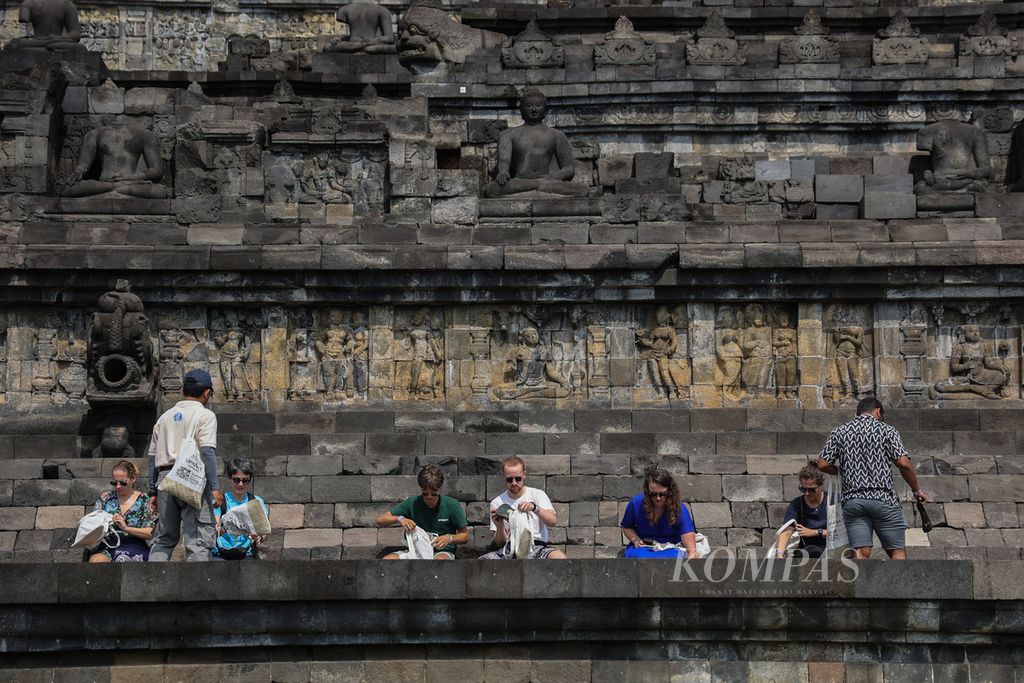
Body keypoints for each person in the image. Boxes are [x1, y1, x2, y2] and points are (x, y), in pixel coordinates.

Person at [817, 397, 928, 560]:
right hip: (883, 499)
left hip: (853, 501)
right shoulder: (887, 430)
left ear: (857, 413)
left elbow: (822, 464)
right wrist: (916, 490)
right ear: (877, 411)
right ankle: (900, 585)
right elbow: (904, 464)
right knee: (896, 551)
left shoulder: (839, 432)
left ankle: (859, 585)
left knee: (861, 552)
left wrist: (843, 471)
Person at [147, 369, 223, 562]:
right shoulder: (205, 416)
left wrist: (153, 491)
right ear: (206, 392)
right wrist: (215, 487)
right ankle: (197, 590)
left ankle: (153, 584)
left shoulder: (164, 417)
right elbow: (207, 452)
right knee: (198, 537)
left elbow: (152, 457)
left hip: (165, 478)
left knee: (164, 537)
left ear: (183, 389)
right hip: (192, 477)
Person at [484, 89, 598, 198]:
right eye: (528, 106)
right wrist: (503, 172)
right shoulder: (508, 135)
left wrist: (552, 178)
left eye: (538, 106)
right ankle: (538, 189)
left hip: (547, 182)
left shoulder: (557, 135)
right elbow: (504, 161)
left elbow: (568, 169)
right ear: (521, 110)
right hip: (520, 182)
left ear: (545, 110)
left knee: (582, 190)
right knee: (491, 189)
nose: (533, 109)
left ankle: (535, 189)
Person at [480, 456, 566, 560]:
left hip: (536, 545)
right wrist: (500, 526)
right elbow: (500, 543)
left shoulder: (537, 494)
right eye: (509, 479)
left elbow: (553, 521)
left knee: (559, 557)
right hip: (510, 547)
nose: (514, 483)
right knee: (481, 562)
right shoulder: (497, 502)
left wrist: (535, 508)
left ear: (524, 475)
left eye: (518, 478)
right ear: (504, 477)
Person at [376, 463, 468, 560]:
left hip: (442, 551)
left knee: (439, 561)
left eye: (434, 494)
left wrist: (449, 538)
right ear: (420, 489)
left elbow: (465, 536)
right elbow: (380, 520)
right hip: (416, 550)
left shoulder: (452, 505)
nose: (429, 497)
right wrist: (399, 518)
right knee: (387, 560)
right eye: (425, 494)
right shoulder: (412, 503)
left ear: (440, 489)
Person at [63, 124, 168, 199]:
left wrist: (133, 177)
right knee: (68, 189)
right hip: (105, 182)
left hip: (131, 182)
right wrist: (77, 172)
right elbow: (83, 165)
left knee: (159, 191)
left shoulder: (146, 134)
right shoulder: (94, 134)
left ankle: (113, 190)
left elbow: (156, 170)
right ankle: (116, 188)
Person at [86, 460, 155, 563]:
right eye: (114, 482)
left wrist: (127, 528)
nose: (118, 486)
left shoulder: (145, 501)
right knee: (95, 561)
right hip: (108, 545)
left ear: (133, 479)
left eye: (123, 482)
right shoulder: (105, 498)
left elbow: (152, 533)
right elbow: (92, 525)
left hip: (134, 545)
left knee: (122, 559)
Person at [620, 469, 697, 559]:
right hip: (645, 547)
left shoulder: (678, 507)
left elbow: (687, 534)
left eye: (662, 494)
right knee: (640, 556)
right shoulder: (636, 503)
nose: (658, 498)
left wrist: (691, 556)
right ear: (647, 492)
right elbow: (626, 527)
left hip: (671, 548)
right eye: (653, 494)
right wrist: (635, 539)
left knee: (678, 557)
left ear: (669, 492)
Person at [212, 458, 268, 560]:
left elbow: (264, 532)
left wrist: (259, 537)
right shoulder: (220, 501)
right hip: (221, 553)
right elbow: (215, 527)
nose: (240, 484)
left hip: (247, 554)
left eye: (245, 480)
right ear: (230, 478)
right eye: (236, 480)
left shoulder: (256, 501)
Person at [774, 463, 828, 559]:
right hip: (808, 549)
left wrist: (815, 532)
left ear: (821, 485)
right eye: (803, 489)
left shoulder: (832, 501)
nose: (807, 493)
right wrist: (779, 554)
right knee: (812, 552)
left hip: (833, 546)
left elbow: (842, 532)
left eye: (811, 490)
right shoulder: (797, 504)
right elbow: (786, 531)